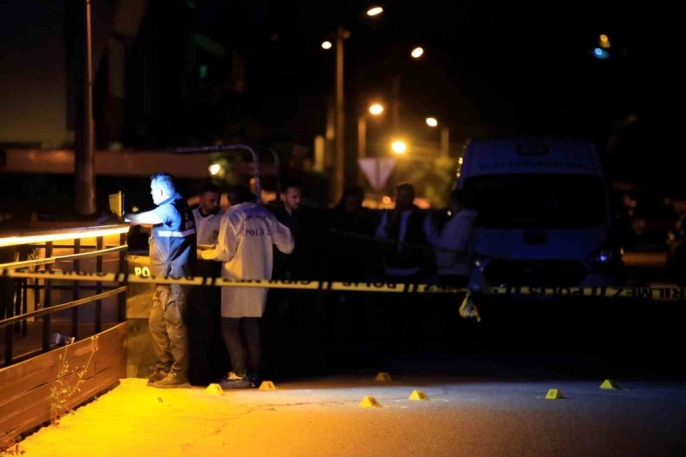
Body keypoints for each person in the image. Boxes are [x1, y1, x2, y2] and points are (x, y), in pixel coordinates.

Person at [202, 184, 294, 388]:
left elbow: (225, 251)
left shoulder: (232, 215)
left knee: (229, 326)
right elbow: (287, 245)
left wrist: (204, 253)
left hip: (236, 278)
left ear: (231, 200)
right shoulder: (264, 214)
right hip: (260, 278)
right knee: (252, 325)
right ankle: (256, 374)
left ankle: (240, 372)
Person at [123, 173, 197, 388]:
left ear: (161, 191)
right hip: (166, 279)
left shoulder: (170, 208)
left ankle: (178, 374)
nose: (151, 194)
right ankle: (164, 368)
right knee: (156, 323)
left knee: (174, 326)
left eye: (152, 190)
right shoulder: (180, 206)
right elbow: (156, 223)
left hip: (173, 279)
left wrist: (123, 216)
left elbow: (143, 218)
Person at [189, 182, 226, 384]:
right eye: (211, 200)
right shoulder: (190, 216)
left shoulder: (223, 218)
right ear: (201, 198)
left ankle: (211, 371)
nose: (215, 204)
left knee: (211, 322)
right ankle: (195, 371)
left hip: (212, 271)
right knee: (194, 322)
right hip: (192, 270)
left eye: (217, 200)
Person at [423, 189, 478, 287]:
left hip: (454, 273)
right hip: (451, 271)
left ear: (455, 201)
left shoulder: (462, 222)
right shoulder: (458, 221)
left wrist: (444, 262)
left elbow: (453, 247)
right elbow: (442, 243)